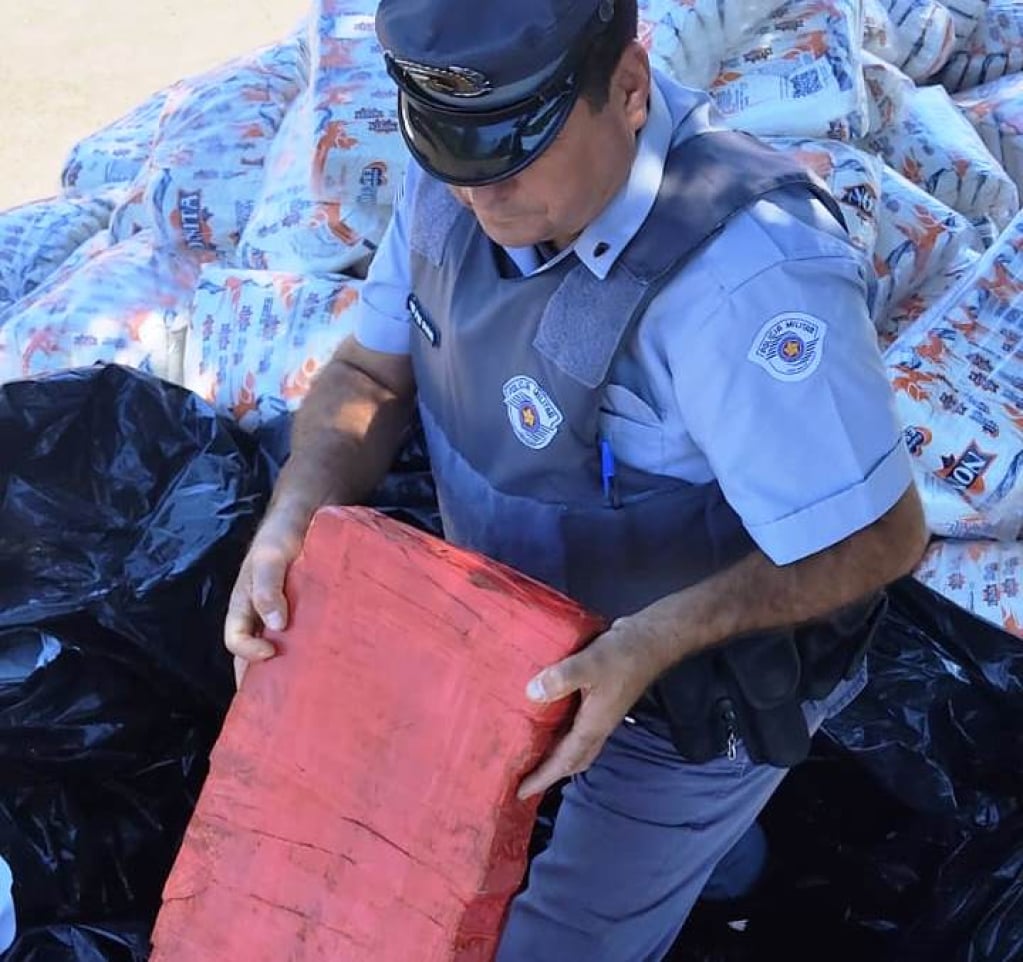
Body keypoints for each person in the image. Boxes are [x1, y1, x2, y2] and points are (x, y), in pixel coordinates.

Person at [226, 0, 929, 958]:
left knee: (563, 935)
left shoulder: (747, 276)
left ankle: (729, 868)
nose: (480, 197)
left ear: (629, 90)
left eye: (514, 156)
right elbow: (364, 377)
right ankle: (732, 883)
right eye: (452, 154)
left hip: (691, 684)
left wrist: (648, 643)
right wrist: (290, 524)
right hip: (516, 637)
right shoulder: (459, 182)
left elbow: (879, 537)